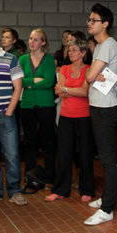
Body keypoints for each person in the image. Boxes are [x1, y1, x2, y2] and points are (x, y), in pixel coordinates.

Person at [84, 3, 117, 226]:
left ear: (105, 24)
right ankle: (106, 198)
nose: (89, 23)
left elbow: (89, 77)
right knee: (103, 156)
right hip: (98, 105)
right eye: (89, 19)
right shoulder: (98, 46)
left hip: (106, 108)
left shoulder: (108, 44)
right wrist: (91, 73)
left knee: (108, 160)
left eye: (93, 20)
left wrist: (91, 73)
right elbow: (91, 75)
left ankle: (108, 208)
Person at [45, 39, 94, 202]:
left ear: (83, 53)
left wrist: (67, 89)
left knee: (85, 154)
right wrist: (70, 91)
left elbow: (84, 92)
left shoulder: (89, 69)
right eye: (69, 50)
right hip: (66, 116)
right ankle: (60, 190)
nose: (70, 52)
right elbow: (58, 91)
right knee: (64, 154)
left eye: (74, 50)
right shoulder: (64, 68)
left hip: (84, 117)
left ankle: (87, 189)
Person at [0, 23, 27, 206]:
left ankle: (14, 191)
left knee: (12, 155)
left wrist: (10, 110)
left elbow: (18, 87)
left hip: (5, 115)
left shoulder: (11, 59)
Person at [19, 28, 57, 190]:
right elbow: (19, 81)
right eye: (30, 39)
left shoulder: (49, 60)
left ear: (43, 42)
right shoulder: (22, 59)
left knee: (48, 141)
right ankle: (30, 176)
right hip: (27, 104)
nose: (31, 42)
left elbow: (49, 82)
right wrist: (35, 79)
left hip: (46, 104)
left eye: (36, 39)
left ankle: (49, 177)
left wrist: (29, 83)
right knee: (30, 142)